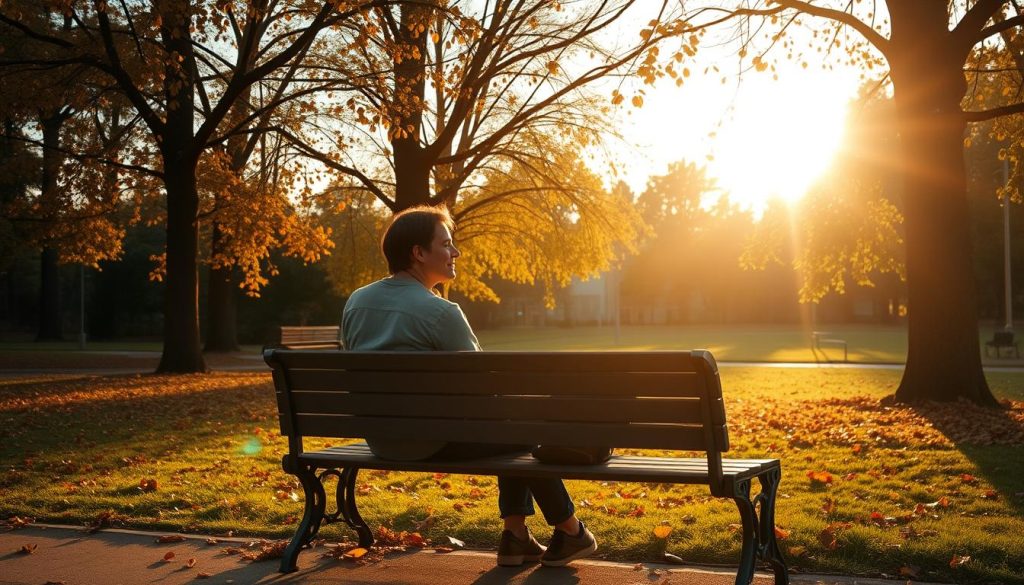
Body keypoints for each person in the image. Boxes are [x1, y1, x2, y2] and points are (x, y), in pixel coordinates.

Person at [342, 204, 597, 567]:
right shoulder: (441, 312)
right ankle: (570, 530)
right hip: (433, 443)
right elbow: (484, 392)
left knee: (508, 429)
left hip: (381, 439)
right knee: (522, 426)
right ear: (418, 253)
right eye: (446, 244)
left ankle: (516, 536)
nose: (455, 252)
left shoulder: (357, 302)